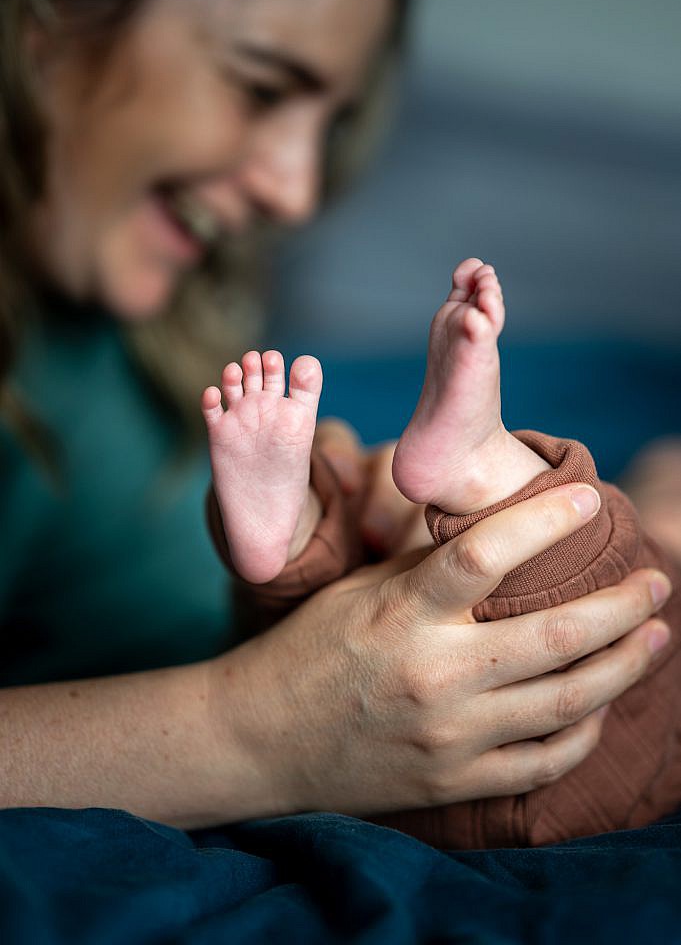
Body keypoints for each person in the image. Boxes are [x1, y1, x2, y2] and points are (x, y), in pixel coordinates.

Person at [0, 0, 671, 832]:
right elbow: (284, 691)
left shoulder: (111, 321)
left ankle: (371, 507)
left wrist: (333, 551)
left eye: (329, 124)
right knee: (599, 551)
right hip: (467, 734)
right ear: (43, 16)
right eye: (263, 86)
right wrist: (254, 730)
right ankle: (478, 475)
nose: (295, 191)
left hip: (332, 651)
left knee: (375, 512)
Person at [205, 256, 680, 847]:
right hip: (358, 731)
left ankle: (324, 528)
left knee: (601, 551)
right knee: (373, 567)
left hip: (543, 749)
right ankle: (303, 526)